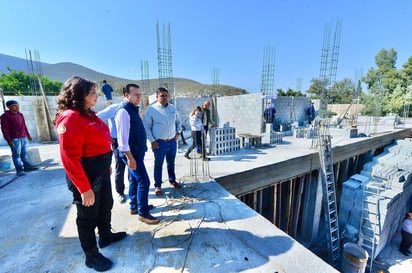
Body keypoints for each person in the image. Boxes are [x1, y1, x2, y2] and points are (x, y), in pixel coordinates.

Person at [54, 76, 126, 272]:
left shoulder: (88, 113)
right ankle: (91, 256)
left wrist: (106, 165)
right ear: (79, 94)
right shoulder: (71, 117)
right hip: (86, 177)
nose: (97, 95)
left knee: (105, 206)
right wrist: (84, 189)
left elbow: (97, 142)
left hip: (100, 172)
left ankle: (105, 235)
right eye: (92, 92)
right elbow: (69, 158)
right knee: (87, 217)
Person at [115, 83, 159, 225]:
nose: (139, 97)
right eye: (135, 94)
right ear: (126, 95)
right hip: (131, 153)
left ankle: (135, 206)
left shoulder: (133, 109)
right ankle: (143, 213)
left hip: (136, 152)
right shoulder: (123, 111)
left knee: (134, 180)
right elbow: (122, 140)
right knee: (144, 181)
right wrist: (130, 157)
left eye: (140, 94)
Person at [143, 87, 182, 196]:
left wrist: (178, 133)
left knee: (171, 163)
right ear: (157, 97)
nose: (164, 97)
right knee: (158, 164)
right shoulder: (151, 110)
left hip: (172, 142)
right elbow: (147, 127)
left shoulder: (173, 108)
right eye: (162, 96)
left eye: (166, 95)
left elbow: (179, 121)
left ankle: (172, 180)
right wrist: (152, 141)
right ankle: (158, 186)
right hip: (159, 143)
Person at [97, 103, 128, 204]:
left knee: (133, 167)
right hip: (117, 142)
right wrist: (106, 135)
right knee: (120, 166)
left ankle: (134, 190)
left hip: (130, 141)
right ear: (126, 95)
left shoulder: (132, 107)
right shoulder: (114, 108)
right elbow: (96, 118)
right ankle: (120, 192)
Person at [0, 100, 38, 176]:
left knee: (24, 153)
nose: (18, 107)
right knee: (16, 155)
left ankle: (27, 167)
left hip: (23, 137)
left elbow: (24, 125)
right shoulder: (5, 116)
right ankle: (19, 170)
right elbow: (5, 129)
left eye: (18, 105)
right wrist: (9, 140)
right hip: (15, 139)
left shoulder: (20, 114)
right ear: (9, 107)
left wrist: (28, 135)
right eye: (15, 105)